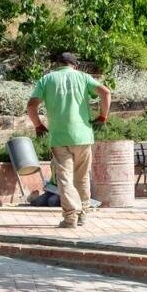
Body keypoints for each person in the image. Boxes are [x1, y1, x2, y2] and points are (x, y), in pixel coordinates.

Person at [27, 53, 111, 228]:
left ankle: (70, 217)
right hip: (83, 136)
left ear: (57, 64)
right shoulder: (83, 77)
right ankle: (83, 215)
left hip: (59, 137)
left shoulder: (47, 79)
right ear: (75, 65)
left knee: (64, 179)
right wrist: (103, 116)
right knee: (82, 178)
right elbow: (105, 92)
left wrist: (38, 125)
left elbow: (31, 105)